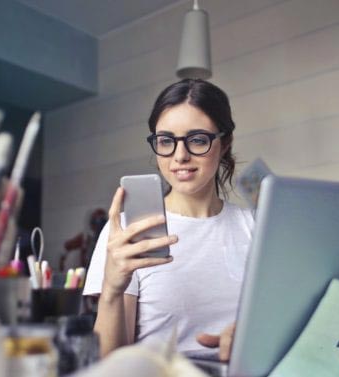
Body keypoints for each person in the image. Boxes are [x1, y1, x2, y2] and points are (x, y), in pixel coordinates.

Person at [83, 79, 254, 360]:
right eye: (166, 141)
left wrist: (251, 339)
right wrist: (112, 289)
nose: (180, 156)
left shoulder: (255, 227)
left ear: (224, 144)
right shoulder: (128, 232)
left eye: (197, 139)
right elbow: (110, 364)